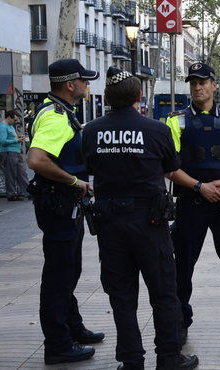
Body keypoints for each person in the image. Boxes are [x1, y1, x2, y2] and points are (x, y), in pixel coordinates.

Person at [82, 67, 198, 370]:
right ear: (138, 97)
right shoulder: (157, 130)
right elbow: (171, 167)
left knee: (122, 297)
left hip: (110, 226)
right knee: (163, 293)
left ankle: (132, 361)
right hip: (150, 223)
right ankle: (169, 359)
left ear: (106, 98)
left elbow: (89, 166)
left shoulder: (91, 130)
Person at [165, 62, 220, 342]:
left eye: (203, 82)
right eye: (193, 83)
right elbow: (168, 167)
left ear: (214, 85)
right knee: (183, 265)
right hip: (192, 203)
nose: (197, 87)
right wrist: (200, 187)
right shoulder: (176, 121)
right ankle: (180, 320)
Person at [27, 58, 104, 365]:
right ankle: (58, 344)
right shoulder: (56, 117)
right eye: (84, 80)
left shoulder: (61, 111)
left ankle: (72, 326)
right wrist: (75, 181)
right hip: (59, 205)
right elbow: (36, 159)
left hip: (65, 206)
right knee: (59, 276)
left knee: (70, 270)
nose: (88, 85)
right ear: (70, 85)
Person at [0, 110, 30, 201]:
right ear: (9, 117)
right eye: (14, 120)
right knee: (11, 174)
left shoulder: (10, 126)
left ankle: (28, 191)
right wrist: (17, 141)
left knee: (21, 172)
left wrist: (18, 138)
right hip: (9, 152)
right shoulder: (3, 127)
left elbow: (11, 137)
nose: (15, 122)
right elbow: (3, 141)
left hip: (15, 152)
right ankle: (11, 194)